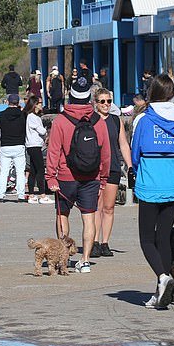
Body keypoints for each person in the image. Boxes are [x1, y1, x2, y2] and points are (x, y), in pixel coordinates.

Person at [131, 74, 174, 308]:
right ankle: (162, 292)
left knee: (147, 239)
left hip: (150, 184)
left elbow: (136, 153)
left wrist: (138, 172)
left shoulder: (143, 120)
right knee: (163, 238)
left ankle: (163, 277)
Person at [45, 74, 111, 274]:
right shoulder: (98, 121)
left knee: (62, 215)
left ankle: (63, 257)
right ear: (88, 99)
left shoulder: (61, 121)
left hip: (66, 177)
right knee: (89, 218)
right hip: (91, 177)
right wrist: (103, 178)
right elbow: (106, 152)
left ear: (70, 97)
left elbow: (53, 151)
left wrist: (50, 176)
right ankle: (85, 260)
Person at [91, 88, 132, 258]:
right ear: (96, 103)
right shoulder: (90, 120)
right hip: (95, 168)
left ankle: (105, 242)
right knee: (96, 207)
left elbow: (123, 144)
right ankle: (92, 241)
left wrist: (130, 166)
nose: (106, 105)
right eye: (102, 101)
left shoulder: (116, 121)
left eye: (108, 101)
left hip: (113, 166)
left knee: (109, 207)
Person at [0, 94, 27, 202]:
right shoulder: (23, 114)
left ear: (7, 102)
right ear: (18, 102)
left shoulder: (1, 115)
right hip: (19, 144)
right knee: (20, 171)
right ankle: (21, 195)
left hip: (6, 144)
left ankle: (1, 194)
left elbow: (0, 125)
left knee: (4, 171)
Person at [23, 95, 53, 204]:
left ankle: (31, 194)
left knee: (34, 170)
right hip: (33, 146)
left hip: (36, 145)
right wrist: (46, 130)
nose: (41, 105)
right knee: (40, 169)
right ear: (35, 105)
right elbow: (41, 131)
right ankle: (42, 194)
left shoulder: (36, 117)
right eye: (39, 103)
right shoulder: (31, 117)